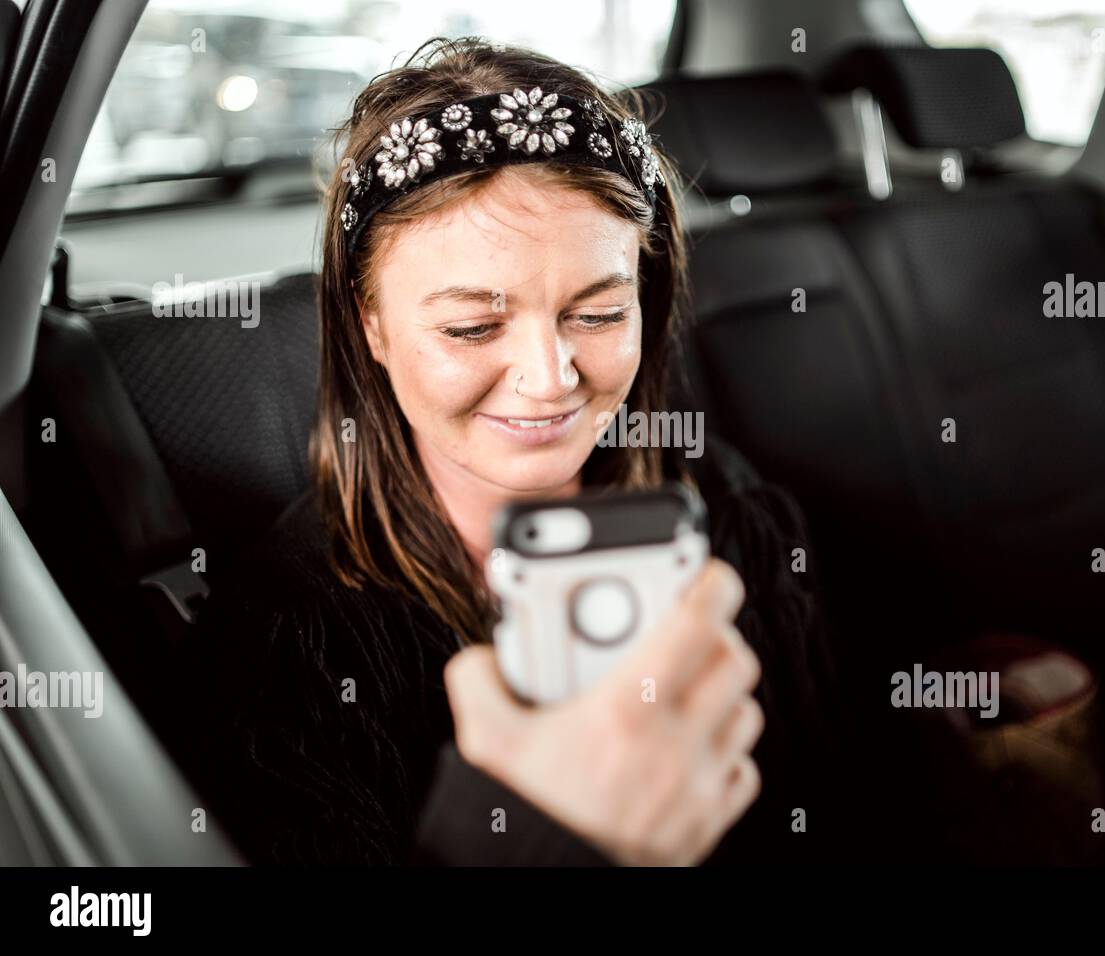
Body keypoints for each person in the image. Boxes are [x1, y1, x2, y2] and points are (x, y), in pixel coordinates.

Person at [186, 36, 839, 866]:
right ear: (371, 326)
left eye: (598, 315)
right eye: (472, 328)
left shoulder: (724, 505)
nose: (548, 380)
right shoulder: (286, 644)